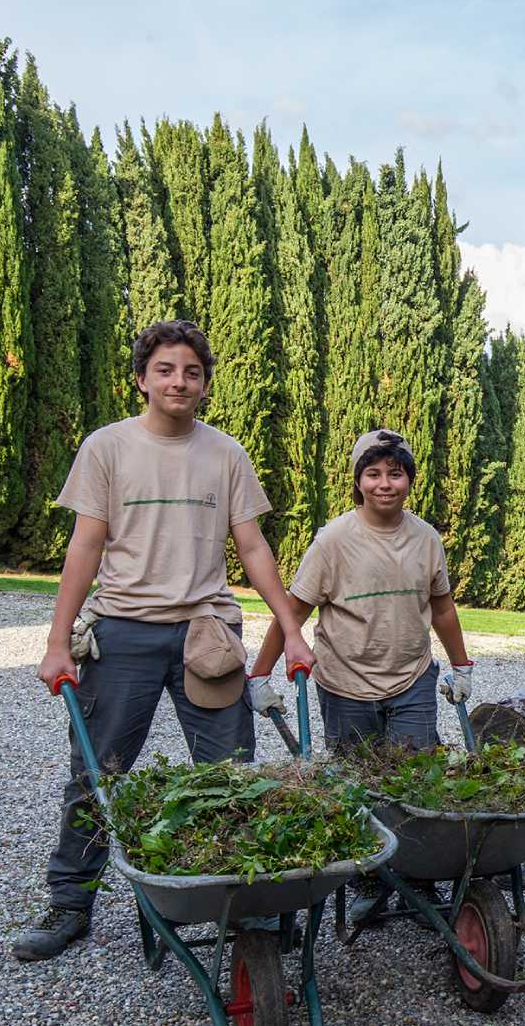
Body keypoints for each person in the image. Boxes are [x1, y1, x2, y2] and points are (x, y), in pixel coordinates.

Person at [16, 320, 316, 961]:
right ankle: (71, 903)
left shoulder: (225, 454)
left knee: (230, 776)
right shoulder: (107, 448)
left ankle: (244, 904)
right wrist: (57, 640)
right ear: (142, 379)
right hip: (122, 633)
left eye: (192, 372)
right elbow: (85, 547)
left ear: (205, 385)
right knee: (99, 776)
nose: (179, 381)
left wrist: (291, 629)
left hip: (207, 634)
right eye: (166, 370)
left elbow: (253, 547)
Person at [248, 428, 474, 925]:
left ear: (410, 480)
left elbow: (442, 608)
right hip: (345, 683)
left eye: (396, 473)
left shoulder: (425, 538)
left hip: (411, 677)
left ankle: (418, 878)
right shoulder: (333, 540)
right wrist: (259, 673)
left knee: (416, 783)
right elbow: (294, 610)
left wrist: (461, 664)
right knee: (360, 786)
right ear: (358, 481)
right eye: (373, 473)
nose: (385, 484)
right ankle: (371, 880)